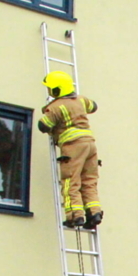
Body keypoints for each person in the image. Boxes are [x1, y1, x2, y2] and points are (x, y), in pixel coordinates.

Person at [38, 70, 103, 229]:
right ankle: (94, 213)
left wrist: (47, 110)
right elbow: (93, 106)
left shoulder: (56, 107)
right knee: (89, 181)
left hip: (73, 146)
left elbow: (43, 125)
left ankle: (75, 216)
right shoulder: (81, 100)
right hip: (90, 145)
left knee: (70, 181)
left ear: (57, 90)